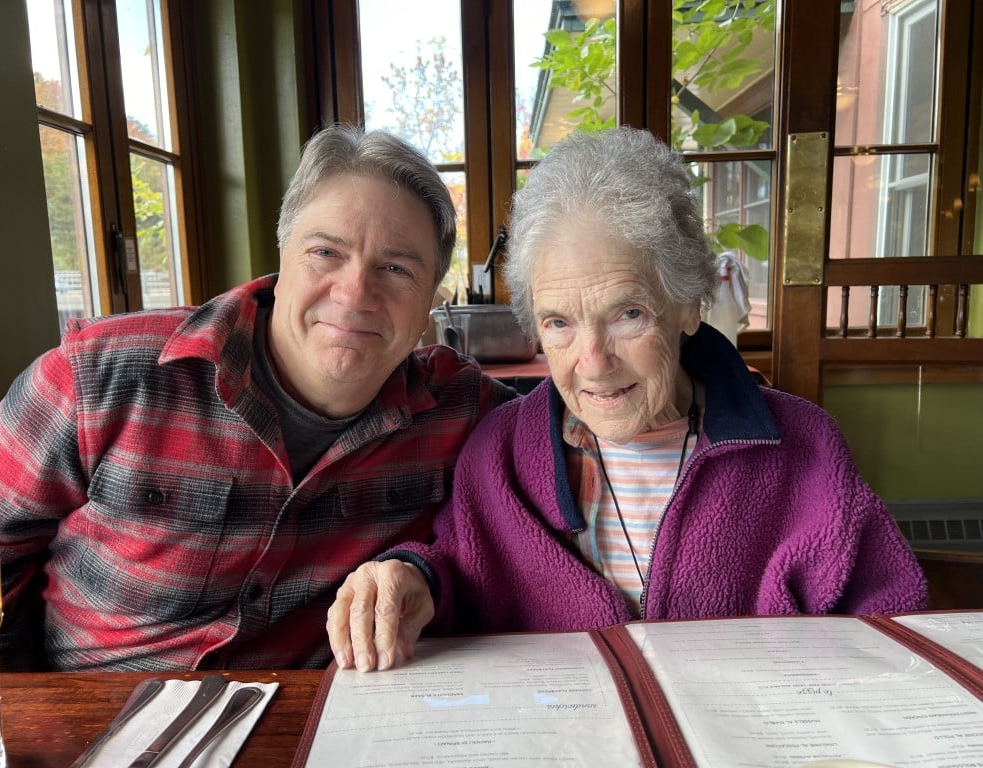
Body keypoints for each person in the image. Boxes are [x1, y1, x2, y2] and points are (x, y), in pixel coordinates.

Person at [327, 126, 929, 673]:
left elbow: (892, 625)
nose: (592, 362)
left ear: (689, 302)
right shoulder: (501, 453)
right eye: (559, 322)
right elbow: (460, 567)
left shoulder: (805, 449)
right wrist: (412, 576)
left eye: (628, 313)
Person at [0, 124, 516, 672]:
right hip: (96, 726)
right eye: (325, 252)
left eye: (396, 268)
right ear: (281, 259)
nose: (354, 294)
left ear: (431, 304)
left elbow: (567, 443)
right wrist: (15, 709)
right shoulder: (98, 376)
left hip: (313, 733)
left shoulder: (464, 411)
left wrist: (423, 569)